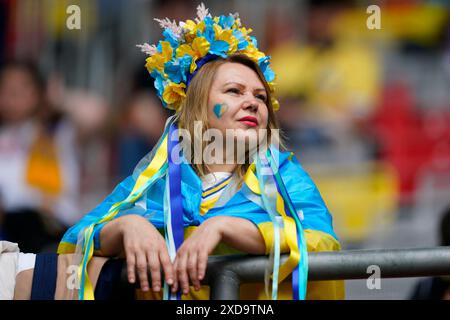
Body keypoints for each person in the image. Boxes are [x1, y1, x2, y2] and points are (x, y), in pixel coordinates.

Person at [57, 3, 344, 300]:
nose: (253, 103)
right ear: (198, 108)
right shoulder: (156, 180)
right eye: (234, 91)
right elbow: (75, 239)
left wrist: (225, 228)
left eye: (261, 96)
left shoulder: (285, 175)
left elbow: (321, 241)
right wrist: (129, 226)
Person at [0, 61, 81, 253]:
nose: (14, 95)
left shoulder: (59, 131)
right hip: (9, 226)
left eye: (22, 87)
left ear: (39, 92)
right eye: (6, 88)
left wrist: (58, 100)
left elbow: (97, 115)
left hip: (51, 225)